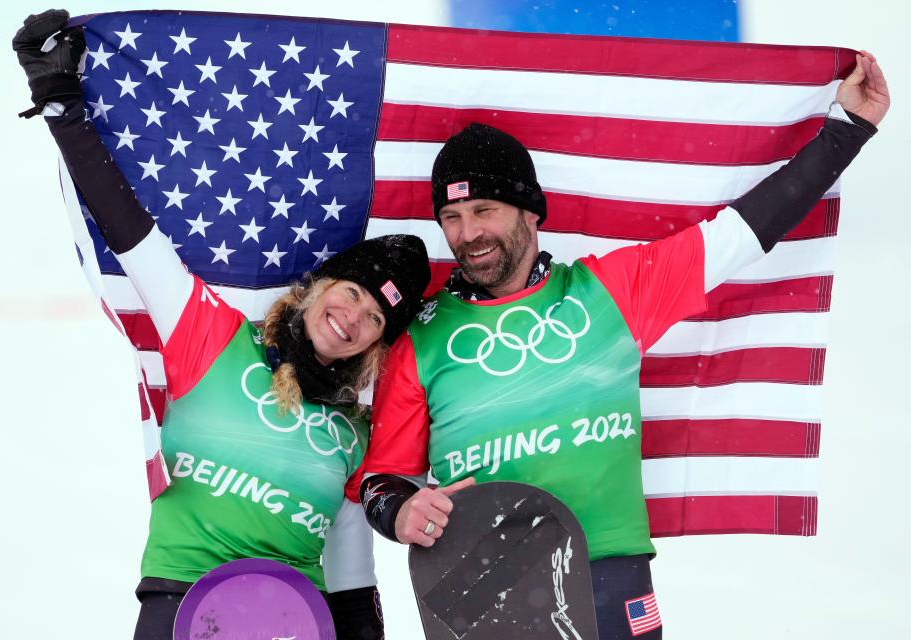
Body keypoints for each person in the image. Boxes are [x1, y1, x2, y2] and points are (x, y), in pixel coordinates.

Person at [357, 49, 890, 638]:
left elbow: (741, 233)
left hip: (607, 569)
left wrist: (846, 132)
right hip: (485, 582)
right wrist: (403, 509)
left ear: (531, 214)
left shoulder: (609, 293)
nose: (467, 234)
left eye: (484, 210)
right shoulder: (421, 338)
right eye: (451, 217)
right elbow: (384, 476)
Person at [13, 10, 431, 640]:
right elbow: (133, 236)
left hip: (298, 618)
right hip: (183, 601)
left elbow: (349, 566)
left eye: (375, 318)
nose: (353, 319)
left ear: (377, 341)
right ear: (318, 287)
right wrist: (63, 110)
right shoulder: (212, 337)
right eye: (352, 294)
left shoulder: (352, 427)